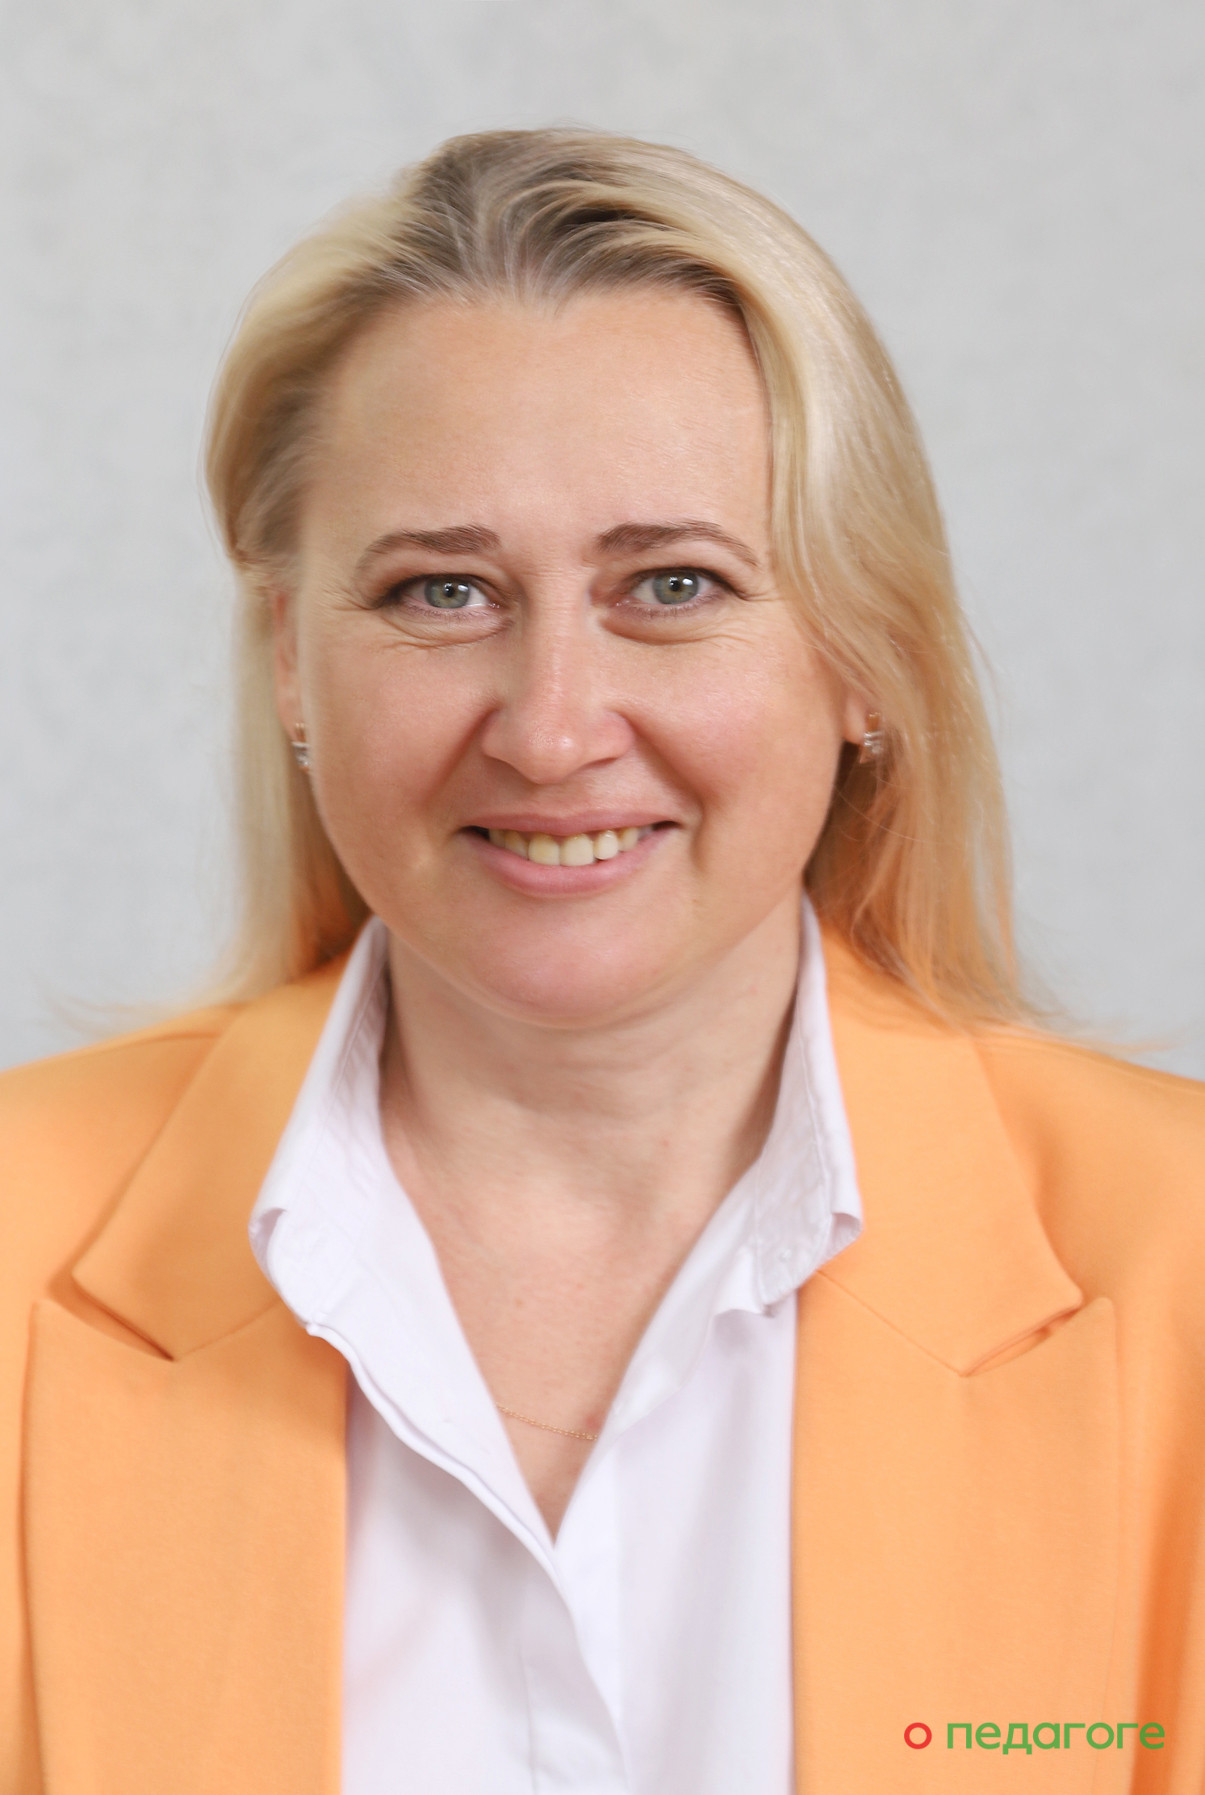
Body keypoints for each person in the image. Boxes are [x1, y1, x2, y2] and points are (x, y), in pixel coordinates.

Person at [1, 128, 1202, 1795]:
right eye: (441, 592)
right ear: (289, 659)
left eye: (673, 584)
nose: (552, 728)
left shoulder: (1179, 1264)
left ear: (863, 654)